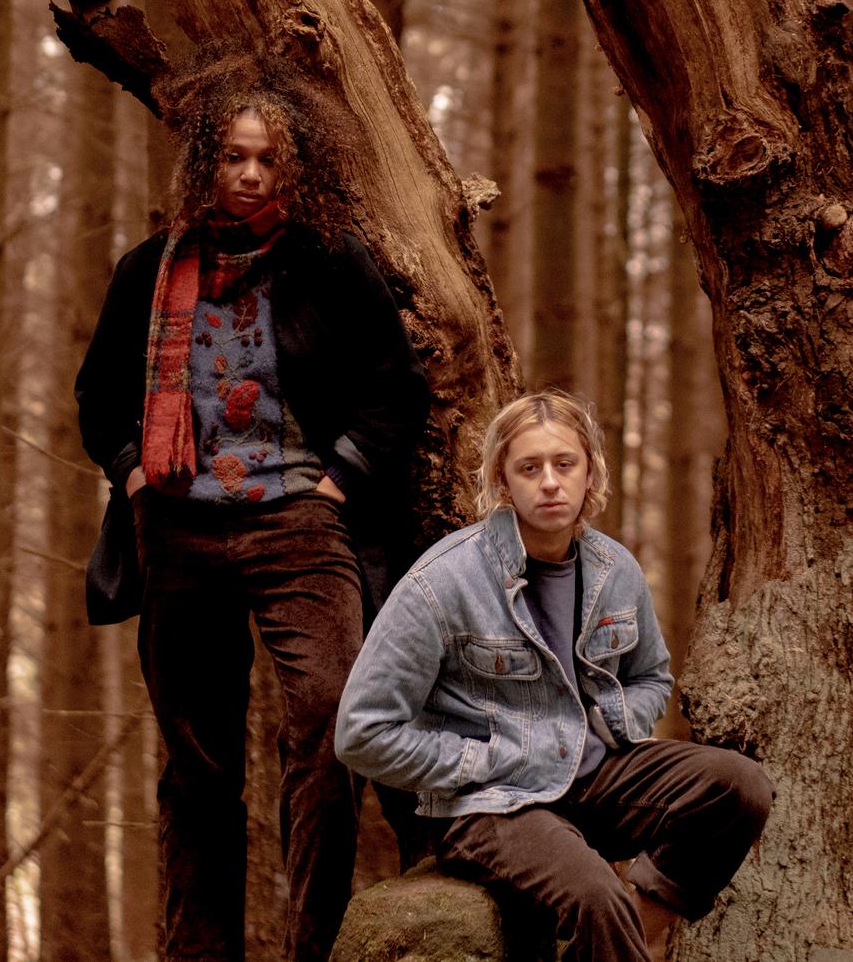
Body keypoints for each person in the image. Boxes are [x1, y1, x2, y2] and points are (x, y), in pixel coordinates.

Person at [75, 48, 430, 962]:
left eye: (269, 158)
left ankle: (314, 946)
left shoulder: (331, 262)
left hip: (299, 523)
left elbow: (395, 389)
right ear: (206, 159)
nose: (251, 174)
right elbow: (98, 398)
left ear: (296, 164)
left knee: (332, 724)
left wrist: (338, 480)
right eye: (234, 156)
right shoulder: (147, 271)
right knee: (198, 764)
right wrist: (134, 471)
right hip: (177, 530)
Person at [335, 391, 773, 960]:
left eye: (565, 464)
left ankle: (632, 939)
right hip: (493, 804)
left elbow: (651, 678)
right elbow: (362, 732)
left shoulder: (615, 569)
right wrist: (479, 761)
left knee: (739, 785)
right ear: (502, 480)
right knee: (597, 897)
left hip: (594, 780)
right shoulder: (442, 582)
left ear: (590, 472)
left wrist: (611, 722)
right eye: (529, 467)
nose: (549, 483)